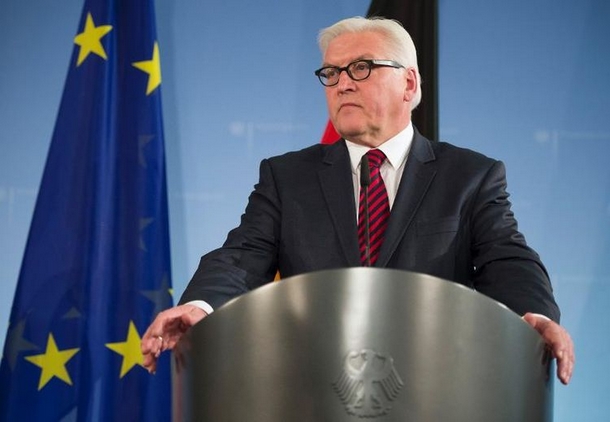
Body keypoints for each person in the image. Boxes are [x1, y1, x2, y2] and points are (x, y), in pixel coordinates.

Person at [141, 16, 574, 384]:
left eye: (362, 68)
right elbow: (241, 257)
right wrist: (199, 306)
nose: (342, 84)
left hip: (432, 386)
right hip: (314, 387)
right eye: (331, 73)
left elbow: (506, 258)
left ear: (409, 82)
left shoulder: (470, 176)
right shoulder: (287, 176)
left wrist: (531, 314)